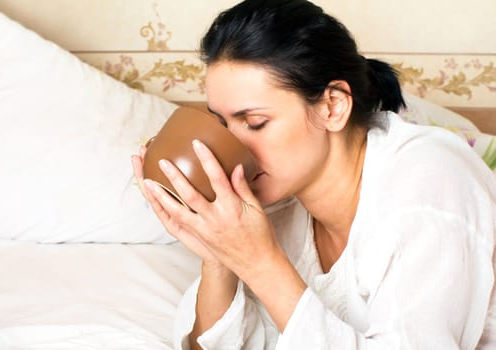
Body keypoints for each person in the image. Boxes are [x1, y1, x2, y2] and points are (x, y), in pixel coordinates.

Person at [131, 0, 496, 348]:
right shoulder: (280, 200)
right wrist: (220, 255)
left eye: (255, 123)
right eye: (222, 123)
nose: (232, 145)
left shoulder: (428, 185)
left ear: (332, 107)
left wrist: (261, 262)